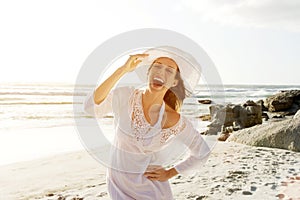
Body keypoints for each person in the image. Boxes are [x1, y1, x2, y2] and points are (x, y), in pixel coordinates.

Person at [83, 46, 211, 200]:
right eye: (157, 67)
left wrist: (170, 173)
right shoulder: (126, 96)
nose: (161, 72)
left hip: (153, 191)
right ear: (148, 72)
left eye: (169, 71)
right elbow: (91, 107)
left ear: (175, 82)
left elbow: (202, 152)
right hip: (119, 187)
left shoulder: (174, 119)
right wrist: (123, 70)